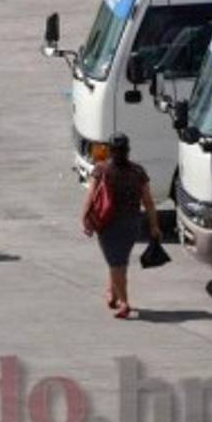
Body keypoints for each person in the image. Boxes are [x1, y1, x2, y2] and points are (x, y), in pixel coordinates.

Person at [81, 134, 161, 319]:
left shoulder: (101, 170)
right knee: (119, 260)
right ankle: (112, 294)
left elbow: (91, 196)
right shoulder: (138, 171)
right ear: (128, 150)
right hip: (132, 224)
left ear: (110, 150)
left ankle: (124, 303)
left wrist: (85, 219)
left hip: (108, 223)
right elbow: (148, 202)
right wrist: (154, 226)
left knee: (116, 263)